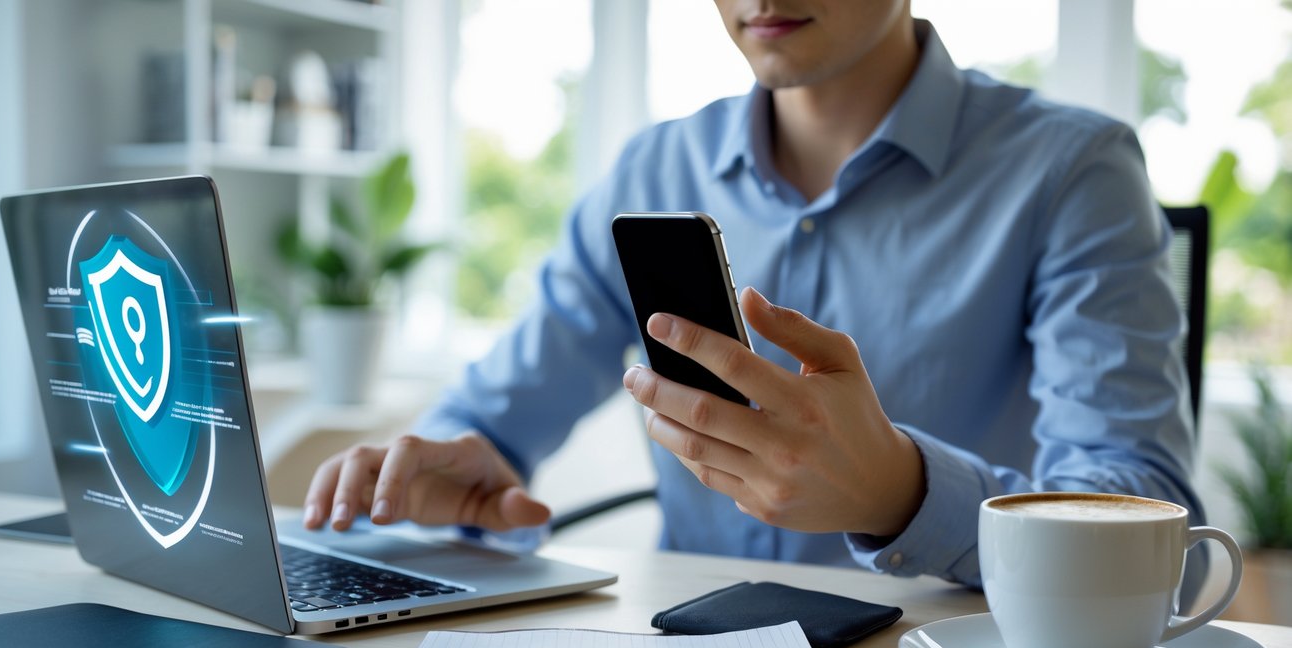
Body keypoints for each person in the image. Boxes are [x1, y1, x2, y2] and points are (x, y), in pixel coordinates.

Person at [302, 0, 1207, 600]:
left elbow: (1141, 526)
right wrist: (458, 465)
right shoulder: (651, 168)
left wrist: (901, 494)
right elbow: (497, 419)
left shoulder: (1071, 170)